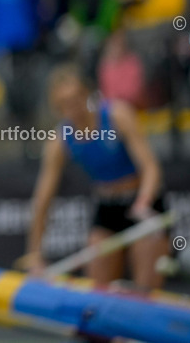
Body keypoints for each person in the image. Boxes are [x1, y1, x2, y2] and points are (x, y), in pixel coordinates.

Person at [24, 63, 169, 289]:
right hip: (107, 209)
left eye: (76, 99)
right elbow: (43, 200)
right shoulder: (59, 141)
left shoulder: (117, 115)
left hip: (144, 205)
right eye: (64, 103)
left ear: (87, 94)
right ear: (57, 108)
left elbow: (150, 168)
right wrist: (34, 254)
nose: (73, 108)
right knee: (98, 290)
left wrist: (143, 202)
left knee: (146, 290)